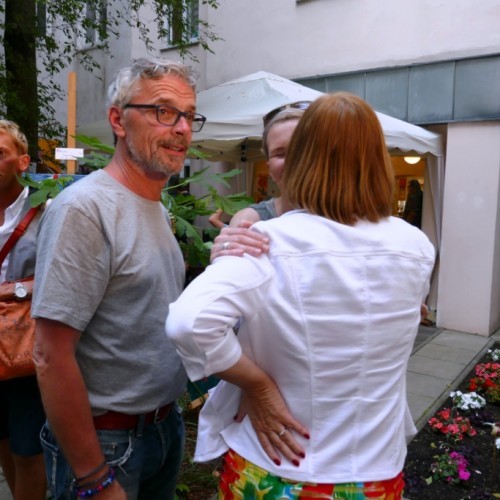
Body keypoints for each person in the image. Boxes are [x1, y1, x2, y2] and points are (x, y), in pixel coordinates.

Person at [166, 92, 435, 498]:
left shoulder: (272, 241)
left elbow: (190, 322)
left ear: (306, 159)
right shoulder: (416, 245)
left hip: (278, 468)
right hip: (375, 469)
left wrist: (257, 385)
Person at [31, 57, 206, 499]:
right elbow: (50, 355)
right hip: (106, 443)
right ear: (118, 120)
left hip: (162, 427)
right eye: (164, 111)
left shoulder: (155, 207)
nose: (182, 129)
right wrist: (94, 476)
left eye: (189, 115)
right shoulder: (84, 210)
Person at [0, 120, 47, 500]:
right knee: (2, 440)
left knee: (28, 449)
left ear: (22, 161)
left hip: (26, 348)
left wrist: (14, 291)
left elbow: (62, 277)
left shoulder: (46, 209)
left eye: (0, 153)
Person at [229, 102, 310, 227]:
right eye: (280, 154)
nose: (292, 161)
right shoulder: (250, 221)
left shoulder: (342, 217)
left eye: (301, 150)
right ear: (270, 169)